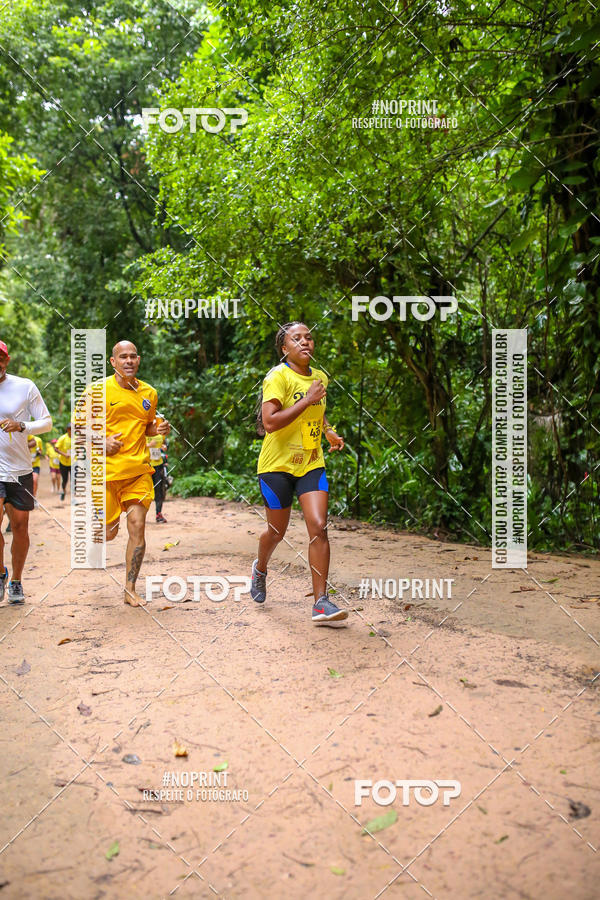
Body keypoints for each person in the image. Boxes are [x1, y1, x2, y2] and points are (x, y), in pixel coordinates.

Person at [251, 321, 347, 624]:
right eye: (297, 339)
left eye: (309, 337)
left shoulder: (320, 378)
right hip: (276, 466)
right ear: (284, 348)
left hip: (311, 462)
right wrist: (307, 400)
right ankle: (260, 567)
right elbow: (270, 422)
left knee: (319, 526)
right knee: (276, 532)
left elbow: (317, 412)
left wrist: (328, 431)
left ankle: (321, 602)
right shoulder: (277, 376)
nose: (305, 342)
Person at [79, 340, 170, 606]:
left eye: (133, 356)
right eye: (123, 357)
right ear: (113, 362)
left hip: (138, 472)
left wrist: (158, 429)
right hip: (105, 475)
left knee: (138, 527)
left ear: (138, 360)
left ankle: (130, 588)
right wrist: (102, 441)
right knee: (109, 534)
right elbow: (78, 429)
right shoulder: (96, 391)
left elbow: (148, 426)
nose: (128, 361)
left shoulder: (149, 393)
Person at [0, 340, 52, 603]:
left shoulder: (24, 386)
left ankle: (16, 580)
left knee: (20, 527)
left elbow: (46, 422)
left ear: (6, 360)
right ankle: (0, 574)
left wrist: (21, 425)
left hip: (19, 469)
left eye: (0, 357)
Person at [147, 432, 168, 523]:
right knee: (143, 492)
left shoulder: (160, 436)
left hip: (158, 466)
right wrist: (149, 445)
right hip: (145, 466)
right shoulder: (141, 433)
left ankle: (158, 514)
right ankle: (138, 515)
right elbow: (134, 447)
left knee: (159, 490)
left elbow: (165, 445)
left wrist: (163, 447)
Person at [55, 424, 72, 501]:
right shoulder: (63, 438)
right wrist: (64, 454)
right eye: (70, 429)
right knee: (65, 480)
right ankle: (64, 491)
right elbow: (56, 448)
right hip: (63, 463)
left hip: (73, 463)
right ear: (67, 430)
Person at [27, 434, 43, 502]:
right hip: (26, 465)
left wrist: (38, 453)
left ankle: (33, 498)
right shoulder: (23, 438)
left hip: (35, 464)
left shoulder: (38, 440)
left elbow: (40, 450)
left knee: (35, 480)